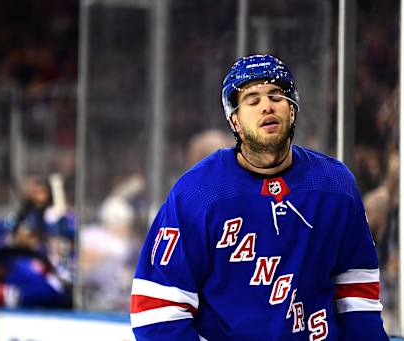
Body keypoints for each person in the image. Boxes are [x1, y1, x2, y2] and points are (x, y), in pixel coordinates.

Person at [130, 54, 388, 340]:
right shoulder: (198, 194)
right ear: (235, 122)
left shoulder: (335, 185)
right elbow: (156, 311)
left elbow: (357, 295)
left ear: (292, 110)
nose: (267, 106)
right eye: (252, 100)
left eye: (277, 96)